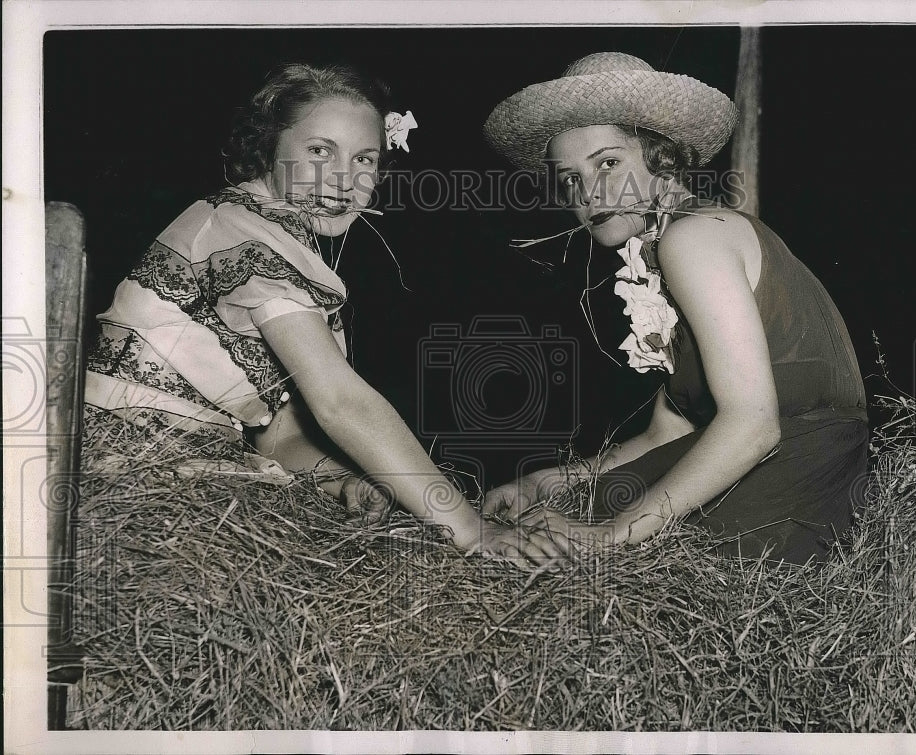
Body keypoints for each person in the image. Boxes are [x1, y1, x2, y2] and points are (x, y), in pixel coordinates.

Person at [83, 62, 560, 566]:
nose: (343, 180)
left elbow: (278, 434)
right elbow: (341, 405)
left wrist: (344, 478)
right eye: (319, 151)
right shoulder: (241, 235)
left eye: (365, 159)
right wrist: (467, 527)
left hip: (174, 465)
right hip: (129, 467)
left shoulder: (272, 240)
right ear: (267, 148)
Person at [481, 52, 869, 564]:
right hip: (803, 472)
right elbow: (671, 429)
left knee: (551, 554)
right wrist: (545, 482)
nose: (590, 193)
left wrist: (610, 535)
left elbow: (754, 426)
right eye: (570, 178)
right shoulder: (677, 244)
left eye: (608, 162)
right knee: (539, 526)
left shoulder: (692, 241)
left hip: (793, 483)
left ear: (660, 156)